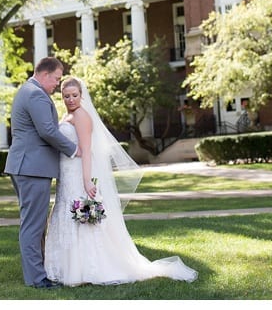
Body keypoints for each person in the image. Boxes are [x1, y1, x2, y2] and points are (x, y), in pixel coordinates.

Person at [43, 77, 198, 285]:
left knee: (82, 220)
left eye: (74, 95)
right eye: (66, 96)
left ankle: (86, 269)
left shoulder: (81, 116)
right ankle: (65, 267)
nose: (70, 99)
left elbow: (87, 152)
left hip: (79, 175)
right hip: (66, 175)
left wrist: (87, 181)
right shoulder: (68, 115)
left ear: (82, 95)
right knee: (66, 216)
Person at [4, 57, 80, 289]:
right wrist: (73, 149)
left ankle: (39, 272)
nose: (57, 84)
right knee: (33, 225)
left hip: (27, 166)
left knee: (34, 223)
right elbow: (47, 130)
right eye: (56, 79)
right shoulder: (35, 93)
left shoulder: (27, 91)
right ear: (45, 74)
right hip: (31, 168)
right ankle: (37, 279)